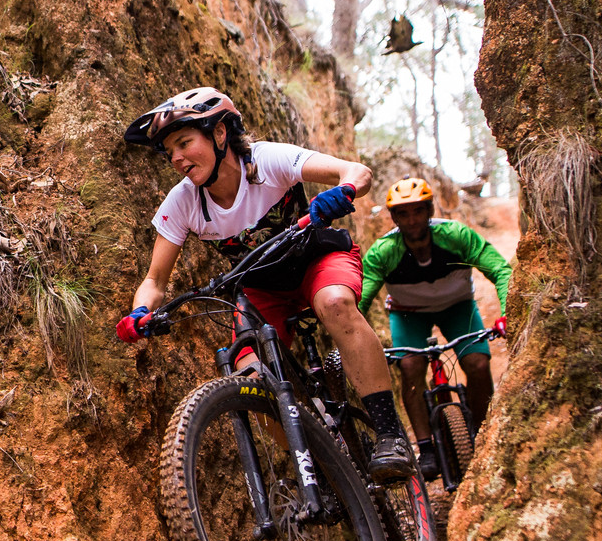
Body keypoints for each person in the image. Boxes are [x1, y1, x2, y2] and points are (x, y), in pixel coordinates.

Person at [113, 87, 415, 482]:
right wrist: (140, 313)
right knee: (252, 378)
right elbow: (154, 279)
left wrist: (343, 192)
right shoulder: (183, 202)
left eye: (185, 143)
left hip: (317, 262)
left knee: (336, 303)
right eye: (170, 151)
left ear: (220, 134)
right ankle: (323, 467)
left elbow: (358, 173)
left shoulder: (267, 161)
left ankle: (390, 435)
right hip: (259, 289)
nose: (177, 158)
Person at [357, 177, 512, 481]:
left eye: (418, 211)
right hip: (407, 314)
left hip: (458, 307)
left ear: (429, 210)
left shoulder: (456, 236)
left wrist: (507, 314)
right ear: (394, 218)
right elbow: (360, 300)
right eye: (404, 214)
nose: (412, 220)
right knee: (411, 367)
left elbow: (499, 269)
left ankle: (481, 432)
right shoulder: (383, 252)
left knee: (478, 364)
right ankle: (426, 447)